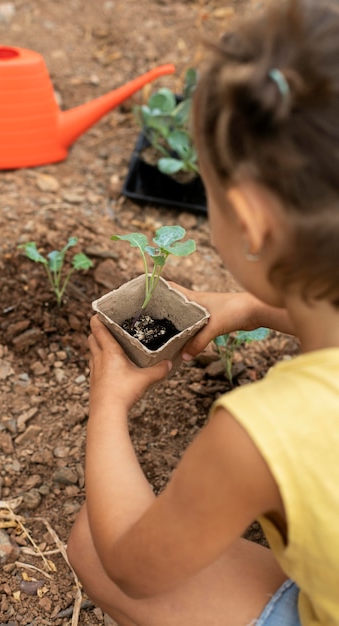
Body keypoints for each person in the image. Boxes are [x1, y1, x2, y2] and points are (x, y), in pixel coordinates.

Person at [67, 0, 339, 624]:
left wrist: (108, 403)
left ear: (248, 222)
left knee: (93, 539)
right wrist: (253, 308)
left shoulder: (261, 435)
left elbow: (133, 567)